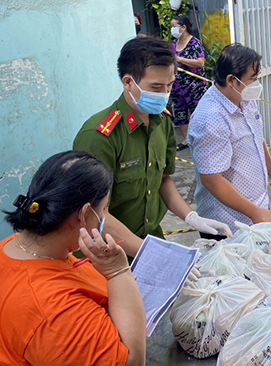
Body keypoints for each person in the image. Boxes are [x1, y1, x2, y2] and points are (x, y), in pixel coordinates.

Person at [0, 151, 146, 366]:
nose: (104, 218)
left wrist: (121, 291)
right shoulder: (55, 315)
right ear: (83, 214)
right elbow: (132, 360)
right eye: (104, 209)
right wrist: (119, 273)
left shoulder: (2, 252)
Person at [73, 37, 231, 258]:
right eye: (156, 87)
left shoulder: (162, 122)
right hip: (107, 254)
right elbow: (94, 216)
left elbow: (163, 180)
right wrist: (150, 253)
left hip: (150, 239)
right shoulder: (99, 136)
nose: (165, 94)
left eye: (169, 85)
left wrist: (191, 217)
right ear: (128, 82)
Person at [187, 43, 271, 235]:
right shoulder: (211, 117)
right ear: (231, 80)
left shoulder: (245, 99)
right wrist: (254, 212)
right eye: (252, 79)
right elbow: (212, 180)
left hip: (256, 212)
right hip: (227, 225)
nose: (256, 84)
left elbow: (257, 138)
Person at [170, 15, 208, 151]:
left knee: (197, 113)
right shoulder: (173, 44)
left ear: (183, 27)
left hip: (194, 86)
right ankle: (186, 139)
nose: (172, 29)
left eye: (174, 26)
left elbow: (200, 62)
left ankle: (201, 139)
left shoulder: (194, 43)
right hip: (177, 86)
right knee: (180, 113)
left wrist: (179, 59)